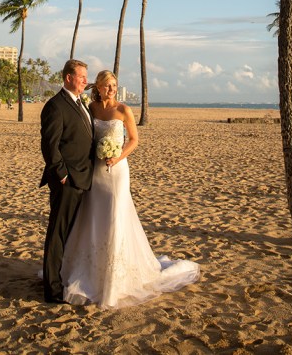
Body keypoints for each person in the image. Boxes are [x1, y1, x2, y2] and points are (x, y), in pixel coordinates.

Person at [61, 69, 200, 308]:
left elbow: (134, 140)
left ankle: (116, 275)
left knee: (115, 215)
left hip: (117, 171)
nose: (112, 89)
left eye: (114, 85)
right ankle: (88, 267)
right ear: (99, 88)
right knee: (92, 214)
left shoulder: (124, 110)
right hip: (95, 169)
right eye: (107, 85)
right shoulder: (91, 108)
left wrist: (117, 157)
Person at [39, 58, 94, 303]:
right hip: (68, 180)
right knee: (58, 234)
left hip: (86, 177)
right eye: (82, 77)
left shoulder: (82, 103)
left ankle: (66, 275)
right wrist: (61, 174)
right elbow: (50, 146)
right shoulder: (55, 106)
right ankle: (52, 288)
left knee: (73, 233)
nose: (85, 81)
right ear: (69, 78)